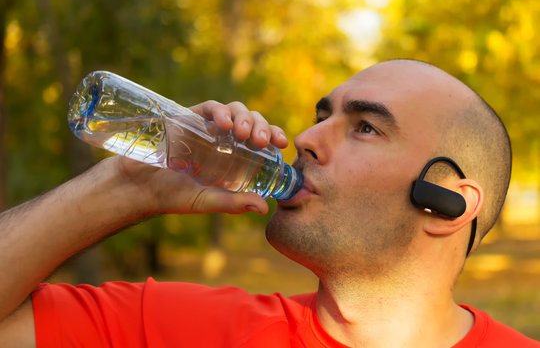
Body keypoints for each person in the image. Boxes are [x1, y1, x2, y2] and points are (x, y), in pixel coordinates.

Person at [0, 59, 537, 347]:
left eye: (366, 127)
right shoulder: (182, 328)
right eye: (322, 115)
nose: (305, 137)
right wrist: (126, 186)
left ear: (447, 203)